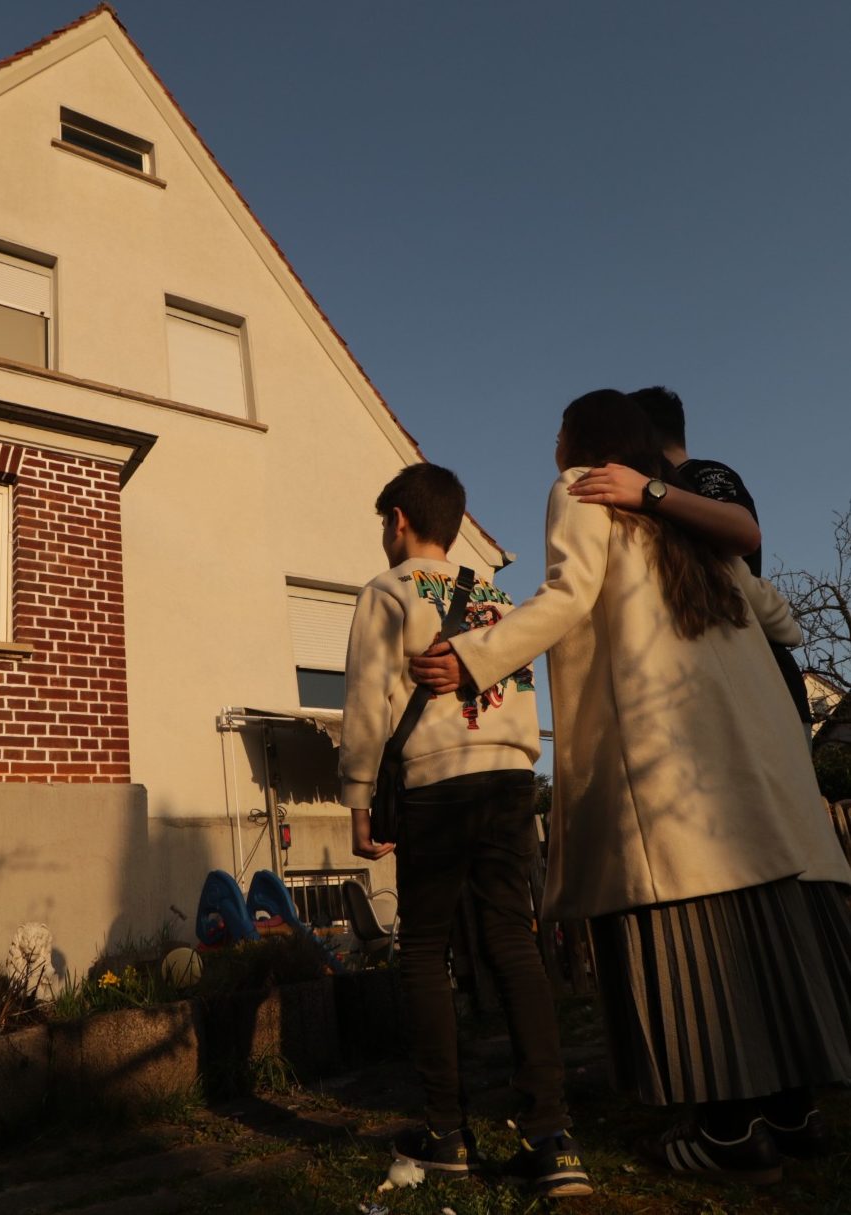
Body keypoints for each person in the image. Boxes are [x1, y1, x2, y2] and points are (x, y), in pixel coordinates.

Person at [410, 392, 851, 1186]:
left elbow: (569, 597)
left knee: (691, 945)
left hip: (662, 764)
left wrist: (476, 654)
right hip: (749, 777)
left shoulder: (580, 487)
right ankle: (792, 1114)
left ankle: (726, 1132)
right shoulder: (684, 518)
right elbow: (780, 619)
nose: (552, 444)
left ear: (582, 440)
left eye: (557, 430)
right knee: (763, 943)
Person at [339, 463, 591, 1197]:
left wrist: (359, 798)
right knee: (515, 940)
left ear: (397, 522)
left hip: (436, 781)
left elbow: (364, 700)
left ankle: (446, 1133)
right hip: (511, 779)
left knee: (423, 947)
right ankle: (553, 1137)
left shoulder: (386, 591)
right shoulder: (495, 598)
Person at [569, 385, 813, 742]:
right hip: (702, 677)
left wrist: (651, 492)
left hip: (759, 678)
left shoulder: (702, 474)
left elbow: (744, 532)